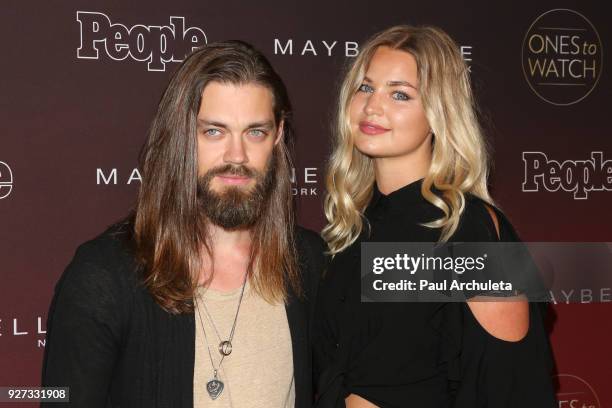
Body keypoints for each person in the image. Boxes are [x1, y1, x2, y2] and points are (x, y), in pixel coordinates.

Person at [41, 40, 325, 408]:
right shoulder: (102, 276)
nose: (236, 156)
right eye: (214, 132)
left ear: (278, 136)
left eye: (255, 132)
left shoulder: (310, 263)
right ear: (180, 137)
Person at [313, 25, 557, 407]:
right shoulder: (353, 230)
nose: (373, 106)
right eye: (365, 87)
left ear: (438, 113)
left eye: (399, 94)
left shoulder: (466, 228)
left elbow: (515, 383)